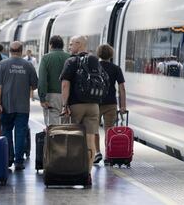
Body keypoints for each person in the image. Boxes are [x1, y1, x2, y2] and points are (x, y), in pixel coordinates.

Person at [59, 35, 100, 184]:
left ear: (78, 45)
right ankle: (87, 174)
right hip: (93, 106)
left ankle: (74, 172)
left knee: (74, 140)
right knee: (90, 141)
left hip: (76, 105)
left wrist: (65, 105)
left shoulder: (71, 61)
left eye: (71, 44)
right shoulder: (95, 60)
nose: (69, 47)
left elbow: (65, 84)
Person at [0, 41, 38, 170]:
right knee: (20, 132)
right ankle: (19, 162)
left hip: (6, 105)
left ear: (10, 51)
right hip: (23, 106)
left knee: (6, 130)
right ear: (22, 50)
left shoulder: (2, 64)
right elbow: (35, 85)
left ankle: (8, 158)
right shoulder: (28, 65)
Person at [93, 44, 126, 164]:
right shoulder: (116, 68)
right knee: (109, 130)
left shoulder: (94, 67)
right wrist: (123, 106)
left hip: (95, 103)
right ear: (111, 55)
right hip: (111, 103)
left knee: (94, 129)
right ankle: (108, 155)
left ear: (99, 54)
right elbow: (122, 87)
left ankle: (97, 152)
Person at [38, 35, 70, 126]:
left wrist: (42, 98)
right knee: (66, 125)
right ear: (62, 45)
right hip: (67, 95)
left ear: (50, 45)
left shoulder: (46, 58)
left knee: (53, 126)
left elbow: (42, 79)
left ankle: (55, 140)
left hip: (51, 96)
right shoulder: (70, 57)